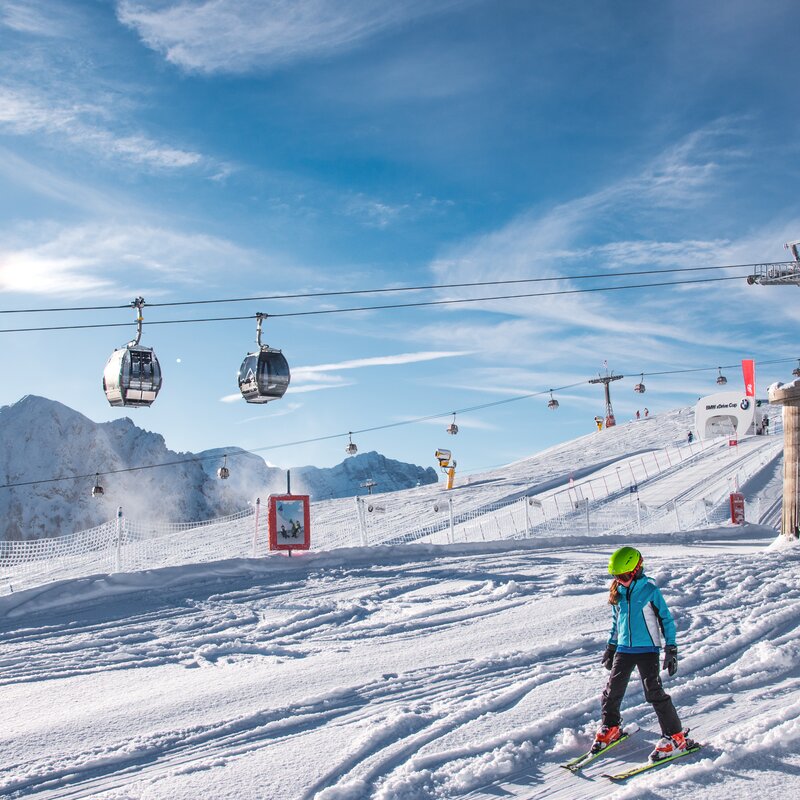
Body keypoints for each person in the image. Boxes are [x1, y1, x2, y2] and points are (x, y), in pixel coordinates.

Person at [592, 546, 695, 762]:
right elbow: (616, 623)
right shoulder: (618, 593)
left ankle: (675, 736)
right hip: (623, 649)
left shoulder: (650, 591)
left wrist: (671, 648)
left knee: (654, 692)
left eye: (624, 576)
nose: (620, 580)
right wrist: (611, 647)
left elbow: (666, 620)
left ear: (637, 570)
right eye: (616, 577)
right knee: (612, 690)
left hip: (647, 649)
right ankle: (611, 726)